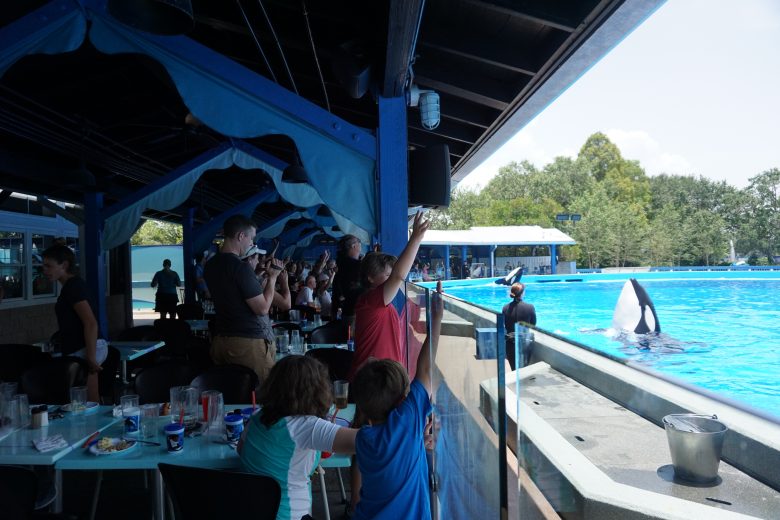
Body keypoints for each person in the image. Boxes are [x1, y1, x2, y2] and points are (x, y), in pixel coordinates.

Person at [350, 281, 444, 520]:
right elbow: (424, 368)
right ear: (403, 399)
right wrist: (436, 317)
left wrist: (416, 444)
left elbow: (392, 461)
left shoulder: (364, 439)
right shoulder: (407, 420)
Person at [238, 355, 358, 520]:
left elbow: (241, 449)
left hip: (249, 511)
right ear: (317, 390)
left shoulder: (257, 417)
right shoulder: (306, 426)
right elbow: (370, 442)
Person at [347, 211, 430, 382]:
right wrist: (415, 239)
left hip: (383, 379)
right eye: (387, 276)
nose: (392, 282)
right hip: (372, 383)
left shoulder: (376, 302)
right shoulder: (371, 302)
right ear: (370, 278)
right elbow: (399, 276)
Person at [204, 214, 284, 382]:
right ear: (241, 236)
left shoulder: (210, 265)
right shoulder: (240, 267)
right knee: (261, 393)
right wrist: (273, 278)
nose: (252, 244)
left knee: (231, 396)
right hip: (247, 344)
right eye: (251, 239)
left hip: (220, 341)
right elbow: (262, 308)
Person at [42, 244, 106, 402]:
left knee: (89, 403)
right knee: (80, 403)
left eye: (49, 266)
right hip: (80, 349)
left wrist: (90, 357)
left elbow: (90, 323)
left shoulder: (73, 287)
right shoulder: (70, 287)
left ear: (64, 265)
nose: (45, 270)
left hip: (85, 349)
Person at [501, 282, 537, 370]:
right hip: (524, 342)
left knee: (514, 370)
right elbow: (533, 324)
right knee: (523, 370)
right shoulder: (530, 307)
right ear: (522, 293)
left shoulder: (505, 308)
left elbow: (505, 324)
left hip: (510, 343)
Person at [332, 234, 362, 328]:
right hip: (356, 313)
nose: (360, 245)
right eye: (359, 242)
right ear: (354, 246)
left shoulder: (342, 264)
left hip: (348, 311)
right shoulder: (355, 266)